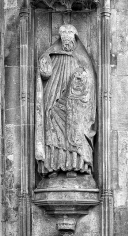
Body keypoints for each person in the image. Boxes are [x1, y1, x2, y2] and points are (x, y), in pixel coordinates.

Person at [35, 24, 96, 177]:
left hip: (73, 99)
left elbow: (89, 82)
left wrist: (80, 80)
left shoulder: (81, 58)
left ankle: (75, 165)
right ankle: (51, 167)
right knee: (50, 124)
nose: (66, 42)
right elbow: (45, 73)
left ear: (75, 39)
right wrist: (44, 66)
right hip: (53, 95)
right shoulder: (52, 55)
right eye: (64, 38)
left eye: (69, 38)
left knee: (75, 128)